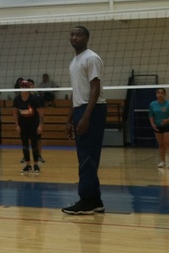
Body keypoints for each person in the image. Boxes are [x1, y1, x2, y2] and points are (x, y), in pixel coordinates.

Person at [62, 25, 107, 216]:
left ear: (86, 38)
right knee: (85, 157)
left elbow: (95, 88)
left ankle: (86, 201)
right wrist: (69, 118)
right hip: (81, 110)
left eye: (78, 35)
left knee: (87, 158)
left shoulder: (91, 58)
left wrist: (86, 117)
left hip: (92, 110)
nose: (74, 38)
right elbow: (76, 92)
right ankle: (95, 201)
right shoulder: (75, 61)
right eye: (72, 35)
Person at [13, 79, 44, 174]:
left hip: (33, 125)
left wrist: (40, 125)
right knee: (25, 145)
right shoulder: (17, 99)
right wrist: (17, 125)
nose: (23, 89)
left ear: (28, 88)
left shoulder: (34, 99)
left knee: (34, 145)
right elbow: (15, 113)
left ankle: (36, 165)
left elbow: (41, 113)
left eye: (25, 87)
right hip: (23, 125)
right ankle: (27, 165)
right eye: (22, 87)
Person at [148, 87, 169, 170]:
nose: (160, 94)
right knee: (161, 144)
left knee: (168, 144)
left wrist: (167, 120)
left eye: (162, 93)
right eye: (158, 93)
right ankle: (162, 161)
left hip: (168, 126)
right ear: (156, 94)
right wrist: (152, 124)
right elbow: (151, 115)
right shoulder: (152, 104)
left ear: (164, 94)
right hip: (158, 126)